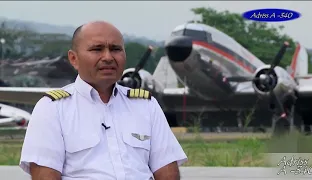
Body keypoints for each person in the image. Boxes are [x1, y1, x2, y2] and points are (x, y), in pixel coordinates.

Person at [19, 20, 188, 180]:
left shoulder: (146, 105)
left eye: (115, 49)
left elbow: (167, 170)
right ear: (73, 59)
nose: (108, 57)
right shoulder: (52, 109)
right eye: (97, 49)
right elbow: (45, 175)